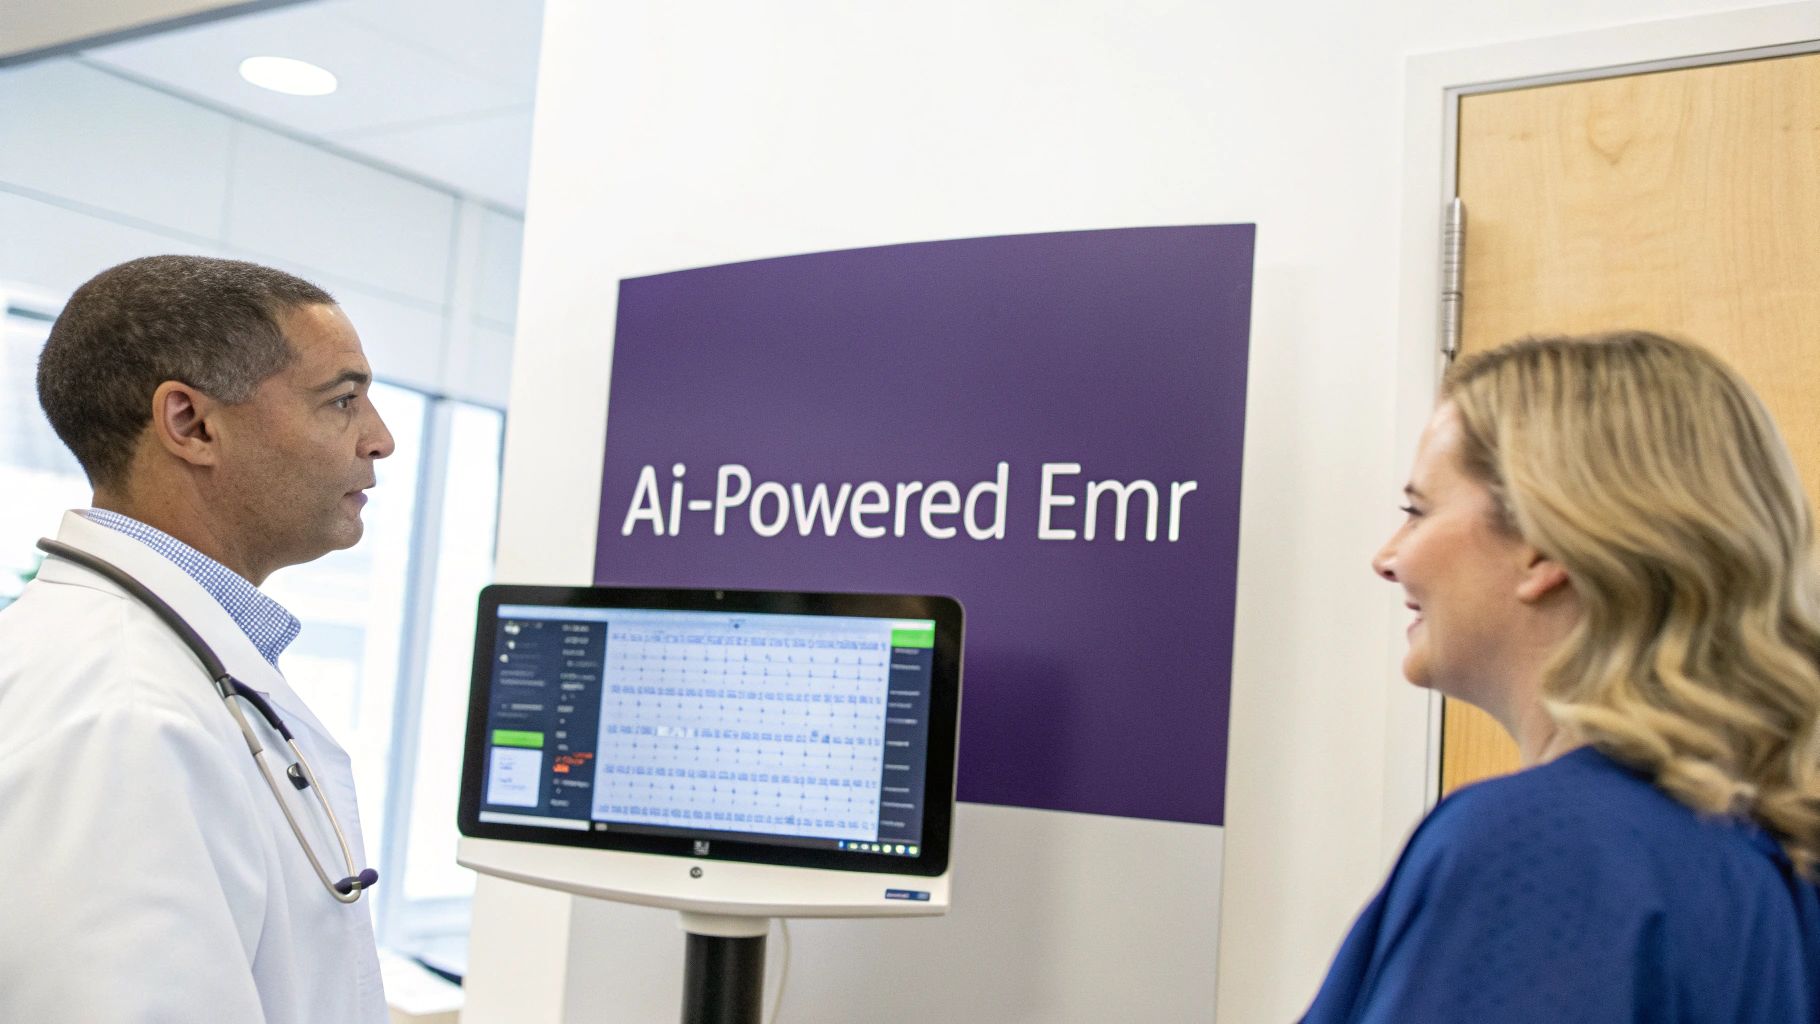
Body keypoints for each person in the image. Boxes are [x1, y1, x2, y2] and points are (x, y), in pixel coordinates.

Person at [1303, 331, 1820, 1022]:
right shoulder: (1767, 860)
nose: (1388, 558)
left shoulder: (1541, 850)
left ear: (1543, 546)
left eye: (1418, 511)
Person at [0, 255, 395, 1022]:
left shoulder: (155, 662)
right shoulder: (126, 712)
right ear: (192, 424)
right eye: (343, 400)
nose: (379, 440)